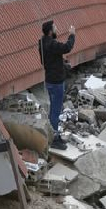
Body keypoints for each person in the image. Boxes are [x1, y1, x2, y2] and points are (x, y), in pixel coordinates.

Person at [39, 20, 76, 148]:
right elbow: (67, 47)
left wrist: (62, 64)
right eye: (55, 27)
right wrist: (72, 35)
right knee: (56, 111)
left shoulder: (42, 43)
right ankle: (54, 139)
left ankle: (52, 134)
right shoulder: (52, 44)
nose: (56, 29)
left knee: (53, 110)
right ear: (50, 31)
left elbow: (47, 61)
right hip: (56, 82)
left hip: (49, 80)